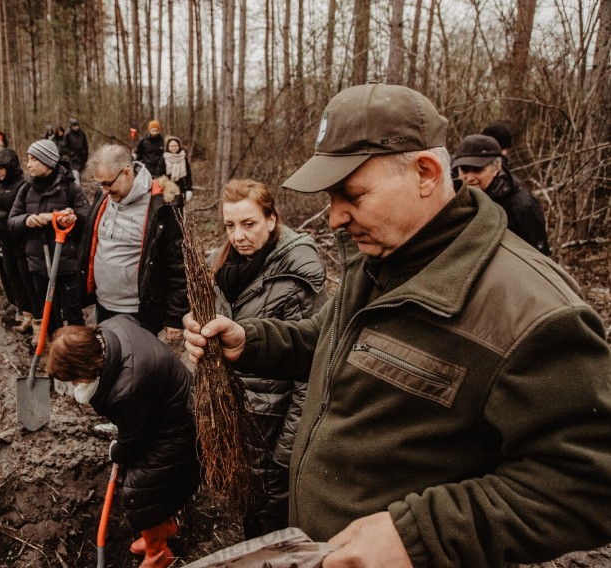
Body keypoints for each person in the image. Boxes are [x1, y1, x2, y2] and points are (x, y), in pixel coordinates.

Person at [183, 83, 611, 567]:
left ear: (425, 173)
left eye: (352, 195)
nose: (336, 218)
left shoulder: (532, 312)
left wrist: (419, 534)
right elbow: (328, 340)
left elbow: (587, 483)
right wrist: (250, 340)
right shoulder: (379, 260)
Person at [210, 178, 326, 539]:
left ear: (272, 220)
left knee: (276, 520)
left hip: (275, 428)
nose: (238, 235)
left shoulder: (298, 273)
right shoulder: (223, 267)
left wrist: (287, 452)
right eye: (230, 225)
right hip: (237, 419)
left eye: (249, 224)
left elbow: (312, 366)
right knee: (247, 507)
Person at [47, 316, 199, 568]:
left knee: (139, 491)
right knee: (146, 484)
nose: (74, 384)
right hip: (166, 405)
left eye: (74, 378)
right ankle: (164, 527)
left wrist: (117, 451)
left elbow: (133, 441)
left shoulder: (127, 389)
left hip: (180, 425)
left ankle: (159, 554)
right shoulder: (111, 328)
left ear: (84, 364)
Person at [78, 144, 188, 341]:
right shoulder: (104, 195)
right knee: (108, 361)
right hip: (103, 306)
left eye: (108, 184)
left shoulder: (162, 204)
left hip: (139, 313)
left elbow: (177, 262)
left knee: (137, 368)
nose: (103, 190)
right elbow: (93, 238)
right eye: (99, 184)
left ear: (127, 172)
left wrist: (174, 317)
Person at [7, 139, 89, 339]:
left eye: (34, 159)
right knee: (48, 315)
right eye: (28, 159)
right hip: (38, 265)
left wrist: (68, 218)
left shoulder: (70, 189)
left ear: (48, 162)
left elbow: (86, 218)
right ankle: (54, 353)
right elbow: (11, 222)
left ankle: (78, 353)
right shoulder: (26, 190)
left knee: (73, 315)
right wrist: (26, 220)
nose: (28, 164)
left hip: (67, 265)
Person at [453, 133, 550, 255]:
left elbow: (539, 257)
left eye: (478, 170)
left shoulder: (522, 206)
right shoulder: (455, 200)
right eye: (465, 170)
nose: (470, 178)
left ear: (497, 167)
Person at [0, 148, 36, 332]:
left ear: (11, 166)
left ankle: (37, 320)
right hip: (5, 244)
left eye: (2, 168)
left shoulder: (24, 185)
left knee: (27, 282)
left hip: (21, 244)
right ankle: (25, 315)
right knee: (14, 281)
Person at [162, 136, 193, 207]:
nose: (174, 148)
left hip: (181, 188)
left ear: (179, 146)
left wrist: (189, 189)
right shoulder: (164, 158)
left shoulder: (183, 158)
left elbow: (188, 175)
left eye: (175, 146)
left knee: (179, 211)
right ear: (168, 147)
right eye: (172, 146)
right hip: (167, 189)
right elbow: (159, 174)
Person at [62, 117, 89, 182]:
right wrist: (71, 153)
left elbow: (85, 145)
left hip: (81, 157)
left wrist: (85, 155)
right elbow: (65, 147)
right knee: (75, 174)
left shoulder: (82, 133)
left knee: (79, 174)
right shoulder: (67, 134)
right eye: (74, 126)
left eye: (77, 125)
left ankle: (77, 188)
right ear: (71, 126)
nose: (76, 127)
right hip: (72, 158)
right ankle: (76, 188)